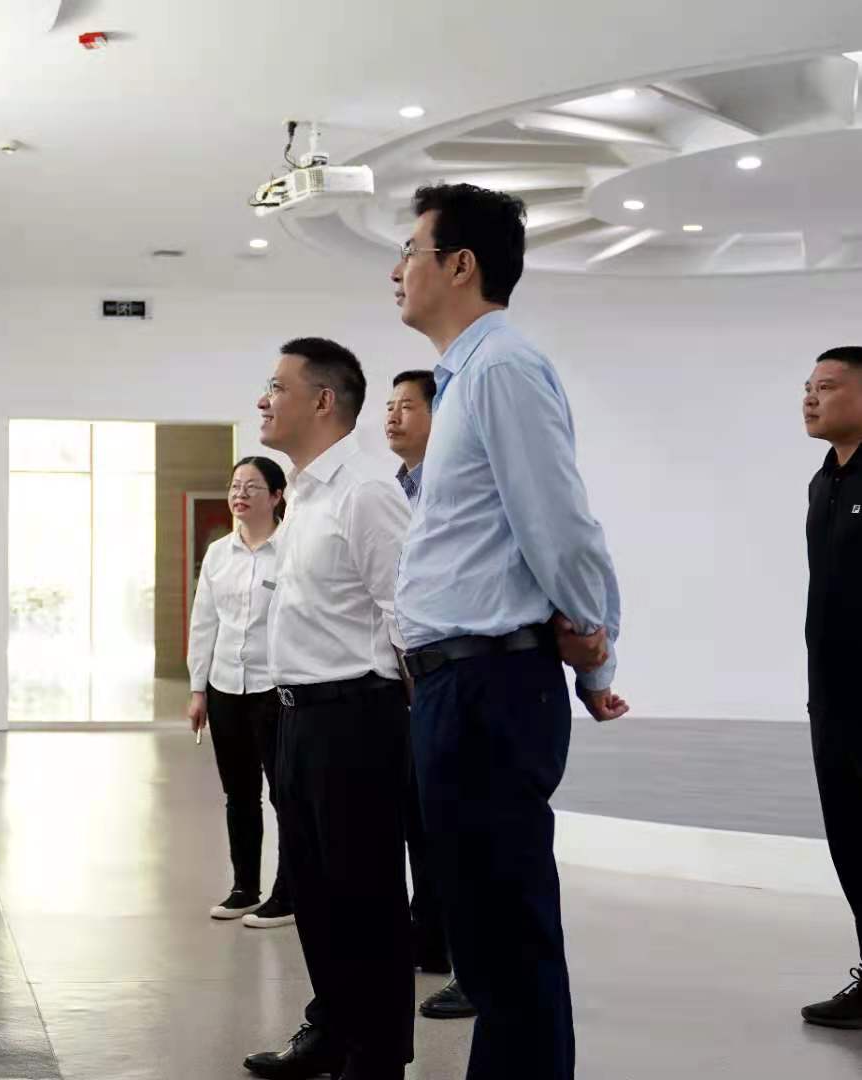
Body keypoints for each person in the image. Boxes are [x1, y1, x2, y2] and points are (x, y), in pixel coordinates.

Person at [390, 183, 626, 1080]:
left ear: (460, 265)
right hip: (457, 684)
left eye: (410, 251)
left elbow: (559, 525)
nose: (397, 271)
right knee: (487, 939)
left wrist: (595, 647)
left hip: (489, 686)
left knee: (509, 937)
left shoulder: (502, 370)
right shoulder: (466, 380)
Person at [242, 339, 413, 1080]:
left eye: (277, 387)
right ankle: (334, 1027)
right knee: (313, 890)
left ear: (322, 401)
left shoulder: (365, 492)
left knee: (365, 895)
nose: (263, 400)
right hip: (297, 717)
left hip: (355, 717)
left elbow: (407, 616)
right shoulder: (305, 496)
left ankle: (377, 1055)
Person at [384, 369, 473, 1022]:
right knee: (424, 819)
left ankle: (475, 966)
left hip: (457, 674)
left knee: (464, 831)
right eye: (389, 406)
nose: (393, 416)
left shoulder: (455, 489)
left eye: (407, 406)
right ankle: (435, 936)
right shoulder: (400, 491)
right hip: (414, 679)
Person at [187, 456, 293, 930]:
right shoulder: (218, 554)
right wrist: (198, 689)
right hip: (226, 685)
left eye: (252, 486)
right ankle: (244, 887)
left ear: (276, 496)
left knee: (286, 795)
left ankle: (288, 894)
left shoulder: (290, 550)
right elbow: (204, 623)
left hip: (275, 688)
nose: (240, 494)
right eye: (235, 486)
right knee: (239, 794)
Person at [799, 345, 862, 1030]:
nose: (811, 398)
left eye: (828, 386)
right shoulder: (825, 482)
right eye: (809, 387)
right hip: (833, 698)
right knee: (851, 843)